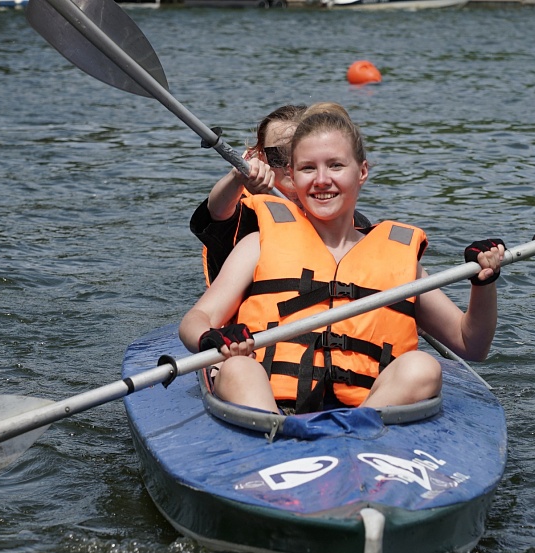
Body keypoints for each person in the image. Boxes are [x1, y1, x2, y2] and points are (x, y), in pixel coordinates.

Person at [179, 103, 505, 414]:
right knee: (237, 368)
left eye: (335, 165)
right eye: (308, 168)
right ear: (291, 176)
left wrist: (482, 283)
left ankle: (355, 436)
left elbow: (471, 344)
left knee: (423, 366)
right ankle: (281, 443)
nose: (322, 180)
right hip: (272, 409)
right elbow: (196, 319)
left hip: (370, 411)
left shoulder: (394, 255)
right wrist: (212, 337)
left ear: (361, 172)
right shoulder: (258, 242)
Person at [190, 104, 371, 285]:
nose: (287, 164)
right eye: (278, 155)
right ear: (261, 157)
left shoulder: (354, 223)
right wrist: (236, 177)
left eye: (296, 154)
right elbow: (217, 212)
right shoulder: (242, 213)